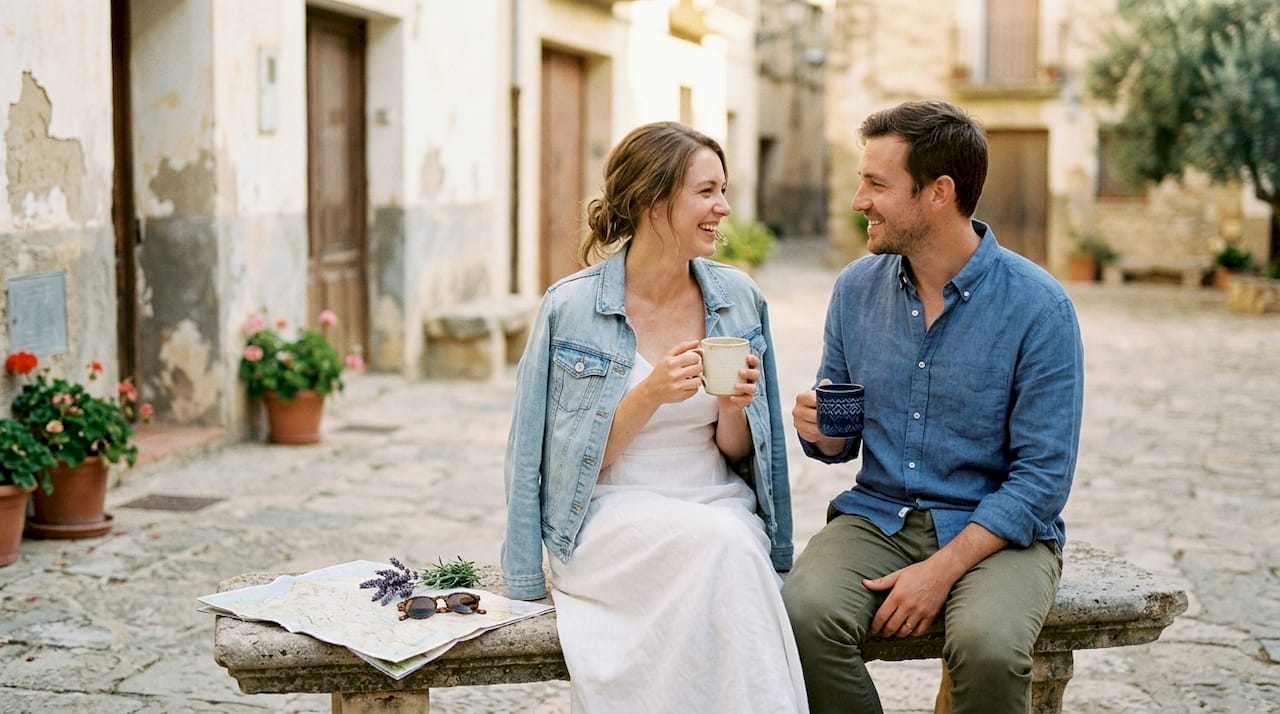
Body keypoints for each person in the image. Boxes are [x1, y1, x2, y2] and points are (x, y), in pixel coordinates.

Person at [782, 100, 1084, 714]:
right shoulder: (854, 289)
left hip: (999, 533)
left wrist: (940, 571)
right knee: (800, 614)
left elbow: (1041, 481)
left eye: (876, 183)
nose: (857, 199)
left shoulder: (1039, 308)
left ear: (939, 192)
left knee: (990, 647)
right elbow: (839, 436)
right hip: (879, 515)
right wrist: (824, 434)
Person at [501, 121, 807, 713]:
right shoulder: (571, 307)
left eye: (724, 190)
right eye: (707, 191)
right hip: (610, 515)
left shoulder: (739, 298)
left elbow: (739, 453)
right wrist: (649, 395)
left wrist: (733, 405)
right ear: (651, 199)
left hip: (714, 499)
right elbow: (533, 453)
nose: (723, 207)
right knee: (723, 549)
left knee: (731, 547)